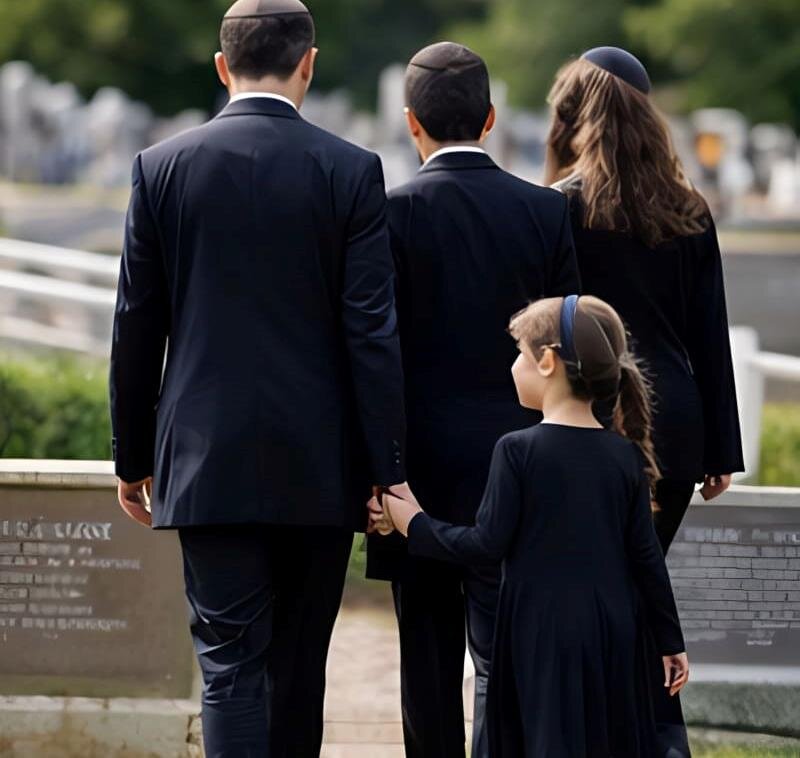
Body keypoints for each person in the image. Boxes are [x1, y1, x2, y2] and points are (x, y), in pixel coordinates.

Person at [109, 1, 409, 755]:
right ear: (308, 63)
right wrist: (385, 468)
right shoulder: (351, 170)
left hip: (206, 457)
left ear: (222, 67)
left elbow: (137, 326)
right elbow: (371, 332)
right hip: (319, 459)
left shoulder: (161, 168)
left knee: (229, 669)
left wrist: (133, 457)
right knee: (299, 667)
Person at [366, 41, 580, 758]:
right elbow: (567, 347)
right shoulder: (544, 214)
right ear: (491, 119)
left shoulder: (387, 215)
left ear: (410, 123)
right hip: (519, 464)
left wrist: (377, 469)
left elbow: (375, 350)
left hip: (414, 471)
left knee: (425, 664)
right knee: (505, 661)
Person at [373, 295, 690, 758]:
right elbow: (645, 557)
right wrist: (669, 639)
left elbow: (485, 544)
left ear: (547, 362)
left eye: (519, 354)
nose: (513, 366)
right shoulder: (622, 456)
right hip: (612, 630)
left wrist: (414, 524)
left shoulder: (518, 450)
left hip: (541, 633)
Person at [544, 46, 744, 555]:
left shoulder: (560, 206)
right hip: (675, 428)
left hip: (586, 419)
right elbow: (709, 333)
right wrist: (721, 449)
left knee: (593, 585)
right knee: (644, 583)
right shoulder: (689, 209)